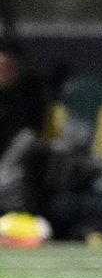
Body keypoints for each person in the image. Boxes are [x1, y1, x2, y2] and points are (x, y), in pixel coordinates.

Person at [0, 42, 48, 215]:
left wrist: (5, 167)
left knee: (11, 179)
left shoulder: (29, 93)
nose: (2, 72)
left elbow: (29, 135)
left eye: (7, 67)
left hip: (17, 162)